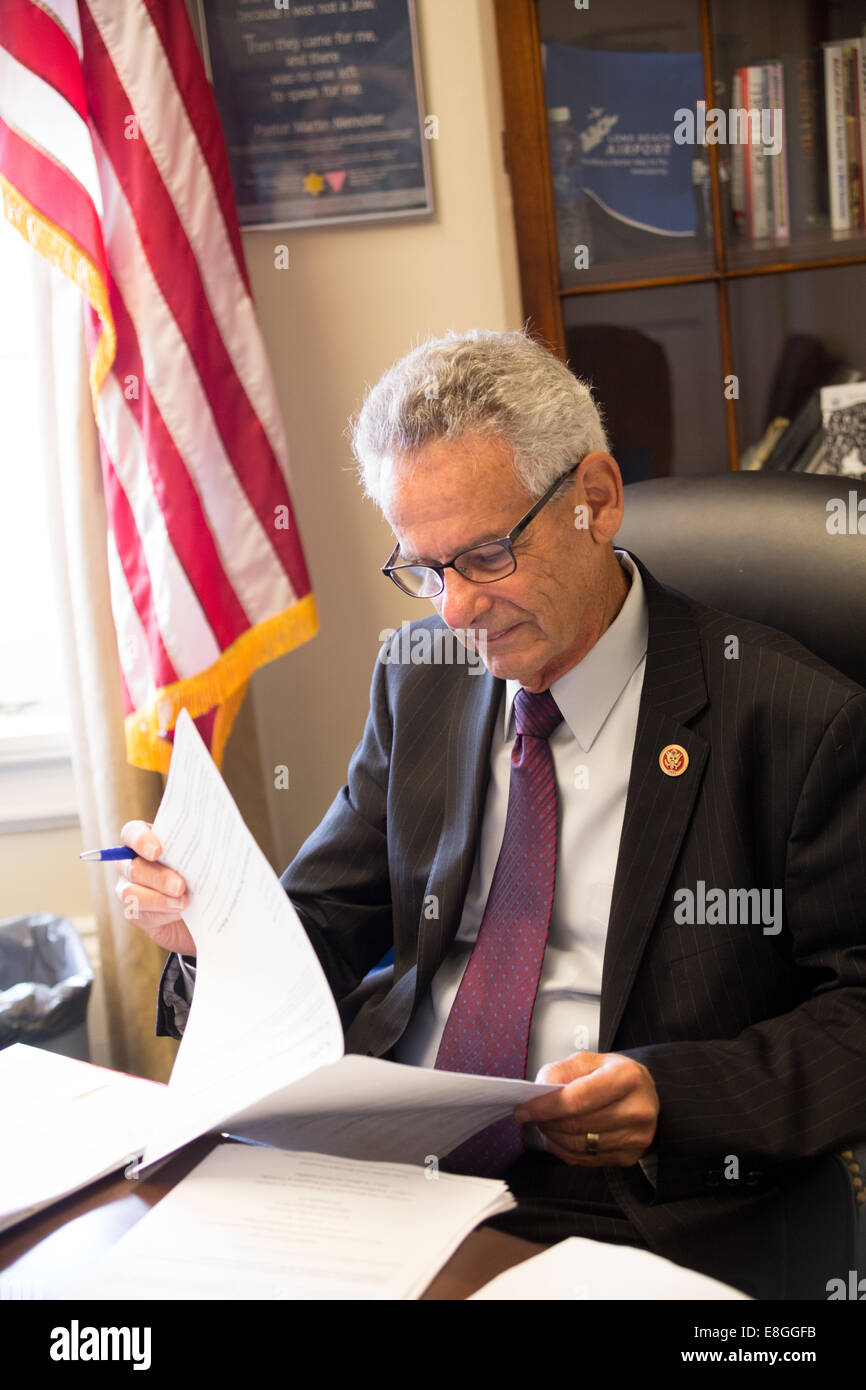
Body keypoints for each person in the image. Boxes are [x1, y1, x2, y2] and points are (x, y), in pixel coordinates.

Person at [118, 329, 866, 1300]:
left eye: (483, 555)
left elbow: (853, 1012)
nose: (455, 611)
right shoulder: (417, 678)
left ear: (593, 500)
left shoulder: (794, 719)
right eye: (424, 570)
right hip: (392, 1169)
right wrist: (210, 933)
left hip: (642, 1197)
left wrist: (670, 1096)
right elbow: (319, 928)